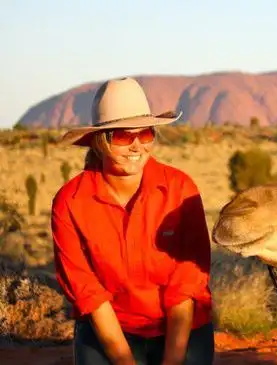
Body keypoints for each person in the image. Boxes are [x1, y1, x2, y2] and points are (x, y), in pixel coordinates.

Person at [51, 77, 214, 365]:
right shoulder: (70, 202)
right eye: (124, 136)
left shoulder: (180, 190)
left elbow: (186, 283)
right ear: (100, 141)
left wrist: (172, 361)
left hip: (180, 327)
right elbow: (89, 293)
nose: (137, 146)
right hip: (112, 327)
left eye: (146, 134)